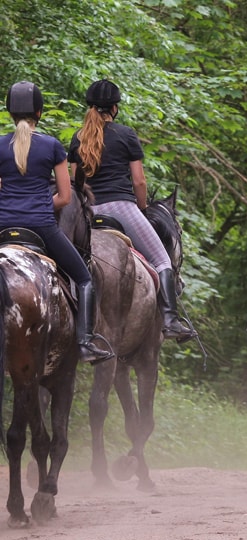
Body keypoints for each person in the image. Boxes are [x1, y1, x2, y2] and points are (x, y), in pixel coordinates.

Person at [68, 79, 196, 342]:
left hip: (88, 212)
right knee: (162, 260)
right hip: (121, 207)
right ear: (114, 108)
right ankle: (171, 321)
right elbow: (139, 181)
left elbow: (75, 184)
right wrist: (141, 208)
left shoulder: (78, 137)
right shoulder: (126, 134)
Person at [0, 81, 113, 363]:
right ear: (39, 111)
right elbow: (64, 197)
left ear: (10, 112)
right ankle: (86, 342)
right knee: (85, 279)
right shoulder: (51, 146)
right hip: (41, 226)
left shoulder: (0, 145)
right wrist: (37, 205)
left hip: (3, 225)